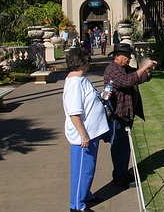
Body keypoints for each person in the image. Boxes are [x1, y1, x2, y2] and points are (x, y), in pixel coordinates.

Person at [63, 47, 109, 211]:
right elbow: (74, 113)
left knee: (88, 169)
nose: (90, 63)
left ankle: (85, 195)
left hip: (92, 132)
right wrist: (83, 136)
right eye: (88, 60)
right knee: (82, 171)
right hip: (84, 136)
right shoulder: (74, 84)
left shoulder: (82, 79)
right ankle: (76, 205)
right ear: (81, 63)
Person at [104, 43, 156, 188]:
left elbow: (140, 77)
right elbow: (127, 81)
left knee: (125, 146)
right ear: (117, 57)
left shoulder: (124, 69)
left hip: (126, 113)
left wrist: (149, 70)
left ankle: (122, 172)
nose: (129, 59)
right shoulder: (113, 70)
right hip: (118, 115)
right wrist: (144, 67)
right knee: (120, 147)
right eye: (127, 56)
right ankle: (119, 176)